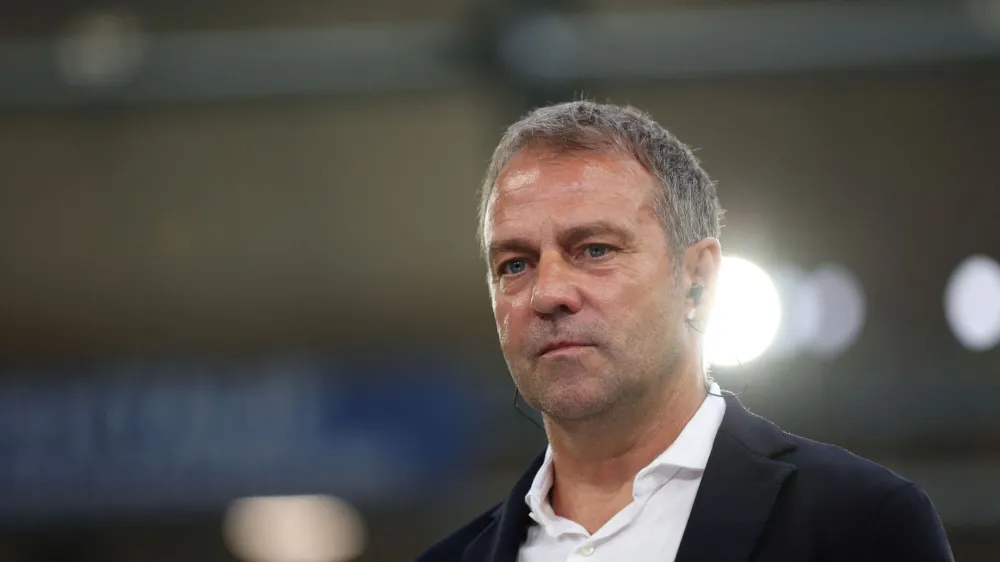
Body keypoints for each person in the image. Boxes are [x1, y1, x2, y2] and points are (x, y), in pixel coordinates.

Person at [416, 101, 953, 562]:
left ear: (697, 282)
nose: (548, 292)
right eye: (515, 264)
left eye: (595, 250)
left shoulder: (861, 528)